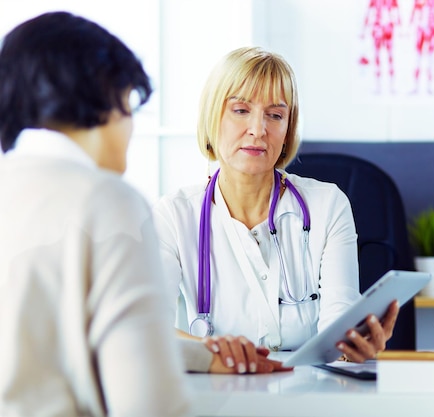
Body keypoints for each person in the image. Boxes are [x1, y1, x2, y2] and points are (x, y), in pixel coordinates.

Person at [0, 12, 282, 417]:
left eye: (275, 114)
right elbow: (148, 403)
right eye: (131, 104)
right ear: (107, 97)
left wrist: (205, 356)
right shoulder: (106, 202)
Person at [152, 46, 400, 363]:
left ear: (287, 130)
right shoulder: (175, 215)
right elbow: (148, 327)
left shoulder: (328, 205)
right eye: (240, 110)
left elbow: (339, 322)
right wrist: (215, 357)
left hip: (311, 396)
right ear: (212, 118)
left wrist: (352, 346)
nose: (259, 129)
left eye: (275, 115)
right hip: (217, 397)